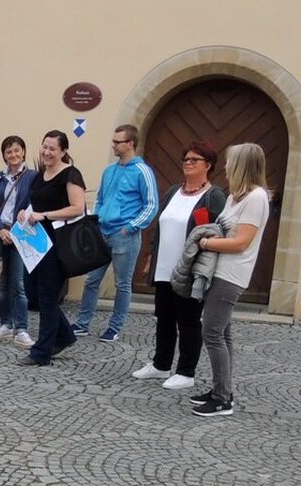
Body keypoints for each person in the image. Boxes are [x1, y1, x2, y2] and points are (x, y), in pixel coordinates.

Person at [132, 141, 226, 390]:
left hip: (190, 269)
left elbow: (220, 231)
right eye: (186, 159)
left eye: (194, 160)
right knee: (163, 317)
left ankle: (186, 371)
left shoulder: (213, 196)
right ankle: (161, 364)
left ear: (208, 165)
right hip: (164, 266)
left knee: (188, 320)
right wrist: (151, 256)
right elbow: (161, 226)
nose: (188, 163)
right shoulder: (174, 191)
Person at [191, 143, 270, 417]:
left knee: (211, 332)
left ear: (241, 166)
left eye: (230, 162)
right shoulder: (234, 197)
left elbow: (241, 242)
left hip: (231, 275)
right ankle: (222, 389)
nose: (225, 166)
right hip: (218, 270)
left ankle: (222, 399)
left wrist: (205, 243)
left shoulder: (256, 198)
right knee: (222, 332)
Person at [72, 124, 158, 342]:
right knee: (91, 279)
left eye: (117, 142)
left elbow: (151, 205)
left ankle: (114, 327)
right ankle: (82, 323)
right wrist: (96, 221)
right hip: (102, 233)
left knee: (122, 284)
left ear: (130, 144)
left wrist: (130, 227)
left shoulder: (143, 171)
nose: (113, 145)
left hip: (125, 236)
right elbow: (100, 198)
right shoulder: (109, 170)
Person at [16, 130, 85, 366]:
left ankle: (41, 352)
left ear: (63, 151)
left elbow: (77, 208)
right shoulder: (40, 175)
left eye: (52, 148)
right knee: (34, 294)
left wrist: (44, 215)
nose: (46, 152)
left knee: (47, 296)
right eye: (44, 147)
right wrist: (25, 212)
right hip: (35, 242)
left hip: (57, 242)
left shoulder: (70, 174)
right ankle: (65, 335)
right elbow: (34, 204)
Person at [0, 135, 37, 347]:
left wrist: (16, 229)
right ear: (4, 156)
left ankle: (21, 329)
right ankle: (6, 324)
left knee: (18, 284)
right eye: (9, 151)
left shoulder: (32, 177)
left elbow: (36, 203)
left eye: (16, 150)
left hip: (20, 234)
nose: (13, 155)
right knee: (1, 283)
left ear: (23, 152)